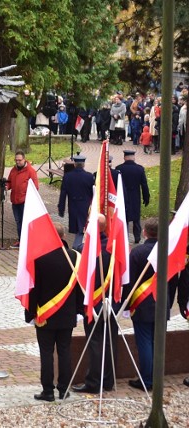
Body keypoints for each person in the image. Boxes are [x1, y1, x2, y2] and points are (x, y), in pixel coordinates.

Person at [26, 223, 83, 402]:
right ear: (64, 236)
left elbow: (33, 289)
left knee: (46, 353)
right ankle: (64, 389)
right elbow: (81, 289)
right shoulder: (76, 257)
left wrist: (30, 313)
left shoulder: (40, 258)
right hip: (67, 315)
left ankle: (48, 391)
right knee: (65, 352)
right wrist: (79, 310)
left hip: (45, 315)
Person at [72, 214, 118, 394]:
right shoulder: (115, 247)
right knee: (110, 341)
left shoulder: (88, 249)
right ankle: (108, 380)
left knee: (95, 343)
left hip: (95, 302)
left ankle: (93, 381)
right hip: (111, 301)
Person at [122, 218, 161, 391]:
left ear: (145, 232)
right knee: (155, 341)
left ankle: (146, 380)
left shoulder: (138, 253)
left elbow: (129, 281)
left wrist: (125, 303)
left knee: (145, 342)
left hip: (142, 304)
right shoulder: (167, 251)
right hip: (161, 302)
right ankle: (155, 376)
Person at [57, 155, 94, 249]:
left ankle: (77, 246)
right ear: (84, 164)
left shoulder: (68, 176)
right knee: (82, 228)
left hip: (73, 206)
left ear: (74, 164)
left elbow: (63, 194)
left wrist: (61, 208)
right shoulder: (89, 176)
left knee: (79, 229)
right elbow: (94, 193)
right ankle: (76, 247)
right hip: (85, 207)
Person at [115, 150, 150, 244]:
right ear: (133, 157)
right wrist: (146, 197)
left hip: (123, 196)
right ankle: (137, 236)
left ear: (124, 158)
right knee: (136, 217)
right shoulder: (139, 169)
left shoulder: (119, 169)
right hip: (135, 196)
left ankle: (124, 236)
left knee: (124, 216)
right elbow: (144, 184)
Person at [6, 150, 39, 248]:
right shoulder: (14, 170)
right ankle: (21, 241)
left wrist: (28, 198)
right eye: (16, 160)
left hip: (25, 202)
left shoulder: (31, 171)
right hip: (15, 201)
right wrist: (6, 186)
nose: (17, 162)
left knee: (26, 222)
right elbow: (10, 182)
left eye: (19, 160)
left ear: (24, 159)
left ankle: (28, 242)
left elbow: (35, 187)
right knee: (18, 221)